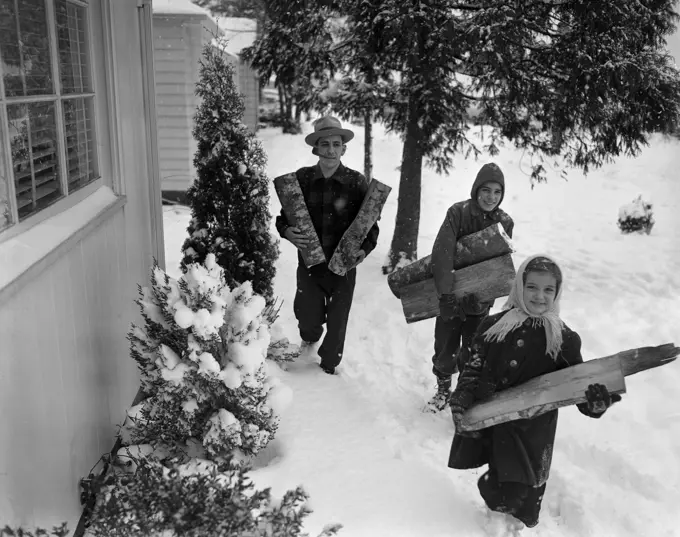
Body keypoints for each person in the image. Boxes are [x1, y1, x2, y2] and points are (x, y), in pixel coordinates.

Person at [447, 254, 622, 528]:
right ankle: (495, 519)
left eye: (548, 289)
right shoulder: (493, 326)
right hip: (496, 424)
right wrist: (462, 399)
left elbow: (576, 385)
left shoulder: (563, 339)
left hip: (533, 433)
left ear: (557, 292)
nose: (539, 296)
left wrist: (596, 402)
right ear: (519, 286)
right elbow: (473, 367)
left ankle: (513, 524)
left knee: (525, 494)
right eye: (532, 287)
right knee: (500, 481)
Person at [275, 116, 379, 375]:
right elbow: (283, 218)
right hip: (311, 263)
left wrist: (363, 250)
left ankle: (329, 365)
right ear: (316, 148)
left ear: (344, 148)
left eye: (336, 144)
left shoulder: (356, 182)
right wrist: (287, 232)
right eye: (325, 144)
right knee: (307, 315)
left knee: (338, 317)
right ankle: (310, 336)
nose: (331, 150)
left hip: (344, 263)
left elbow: (370, 225)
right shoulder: (302, 179)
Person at [427, 163, 515, 410]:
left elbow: (500, 266)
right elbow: (442, 253)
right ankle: (443, 390)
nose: (491, 197)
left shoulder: (504, 221)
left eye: (497, 192)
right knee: (445, 346)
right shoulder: (458, 213)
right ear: (476, 189)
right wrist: (446, 295)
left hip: (479, 300)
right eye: (486, 190)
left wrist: (485, 297)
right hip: (451, 295)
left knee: (473, 351)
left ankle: (464, 394)